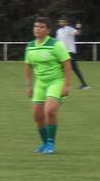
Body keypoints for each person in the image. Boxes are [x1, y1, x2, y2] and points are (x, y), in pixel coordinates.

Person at [23, 17, 73, 154]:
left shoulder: (55, 45)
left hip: (56, 81)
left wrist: (67, 85)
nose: (37, 29)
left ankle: (51, 143)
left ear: (48, 30)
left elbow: (67, 64)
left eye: (41, 27)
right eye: (36, 26)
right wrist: (28, 85)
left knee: (50, 111)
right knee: (37, 116)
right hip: (40, 83)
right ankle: (44, 144)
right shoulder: (30, 46)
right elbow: (28, 66)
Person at [56, 17, 90, 89]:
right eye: (60, 22)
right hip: (61, 52)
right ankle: (83, 84)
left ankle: (84, 84)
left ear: (66, 22)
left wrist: (79, 26)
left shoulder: (69, 29)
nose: (61, 23)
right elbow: (57, 42)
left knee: (74, 69)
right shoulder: (58, 31)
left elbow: (78, 33)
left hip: (70, 52)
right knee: (60, 69)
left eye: (63, 22)